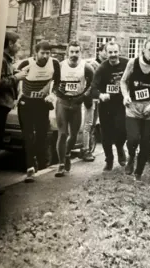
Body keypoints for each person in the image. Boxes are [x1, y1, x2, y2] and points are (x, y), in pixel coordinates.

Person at [120, 37, 150, 181]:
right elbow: (123, 81)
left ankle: (138, 172)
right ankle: (130, 158)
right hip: (133, 107)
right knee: (133, 138)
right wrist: (125, 96)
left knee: (146, 142)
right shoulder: (132, 63)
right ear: (144, 50)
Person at [16, 41, 61, 182]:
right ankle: (29, 166)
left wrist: (52, 94)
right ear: (36, 52)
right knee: (28, 135)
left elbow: (58, 81)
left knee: (41, 135)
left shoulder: (54, 63)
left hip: (42, 103)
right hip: (26, 103)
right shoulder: (26, 64)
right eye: (42, 53)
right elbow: (15, 81)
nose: (45, 56)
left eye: (48, 53)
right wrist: (15, 97)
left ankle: (36, 159)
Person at [53, 41, 94, 177]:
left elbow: (92, 85)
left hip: (76, 104)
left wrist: (83, 96)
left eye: (77, 52)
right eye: (72, 52)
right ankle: (60, 165)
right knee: (63, 134)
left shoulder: (86, 67)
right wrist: (58, 92)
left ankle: (67, 154)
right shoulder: (60, 66)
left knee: (74, 135)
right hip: (63, 102)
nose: (74, 55)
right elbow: (53, 85)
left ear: (80, 53)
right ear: (67, 52)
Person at [90, 41, 128, 171]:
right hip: (106, 106)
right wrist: (101, 95)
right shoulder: (102, 68)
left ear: (119, 52)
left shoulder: (126, 64)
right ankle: (109, 160)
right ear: (106, 53)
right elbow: (93, 88)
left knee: (122, 130)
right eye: (110, 52)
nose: (113, 55)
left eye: (115, 52)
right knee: (106, 135)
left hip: (121, 104)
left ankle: (120, 148)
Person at [0, 32, 25, 168]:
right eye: (17, 43)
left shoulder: (6, 59)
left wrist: (16, 74)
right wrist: (17, 78)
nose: (19, 46)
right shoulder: (1, 59)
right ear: (10, 44)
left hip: (3, 106)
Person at [80, 44, 108, 162]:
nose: (107, 54)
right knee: (88, 123)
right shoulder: (93, 64)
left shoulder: (106, 65)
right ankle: (85, 149)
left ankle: (89, 148)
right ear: (100, 52)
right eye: (106, 51)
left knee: (93, 124)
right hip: (90, 98)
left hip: (100, 97)